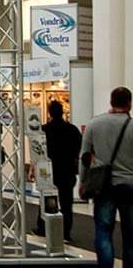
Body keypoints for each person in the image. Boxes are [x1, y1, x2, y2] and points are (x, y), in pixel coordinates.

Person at [81, 86, 133, 266]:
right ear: (129, 104)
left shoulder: (94, 124)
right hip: (130, 185)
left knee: (103, 232)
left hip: (103, 186)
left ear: (111, 102)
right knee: (130, 236)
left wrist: (83, 181)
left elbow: (85, 157)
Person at [35, 100, 81, 241]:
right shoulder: (72, 130)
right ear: (62, 112)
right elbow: (78, 148)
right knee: (67, 203)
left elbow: (38, 151)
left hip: (49, 170)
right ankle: (66, 232)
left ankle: (43, 228)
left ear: (50, 113)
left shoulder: (44, 130)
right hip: (67, 170)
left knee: (46, 199)